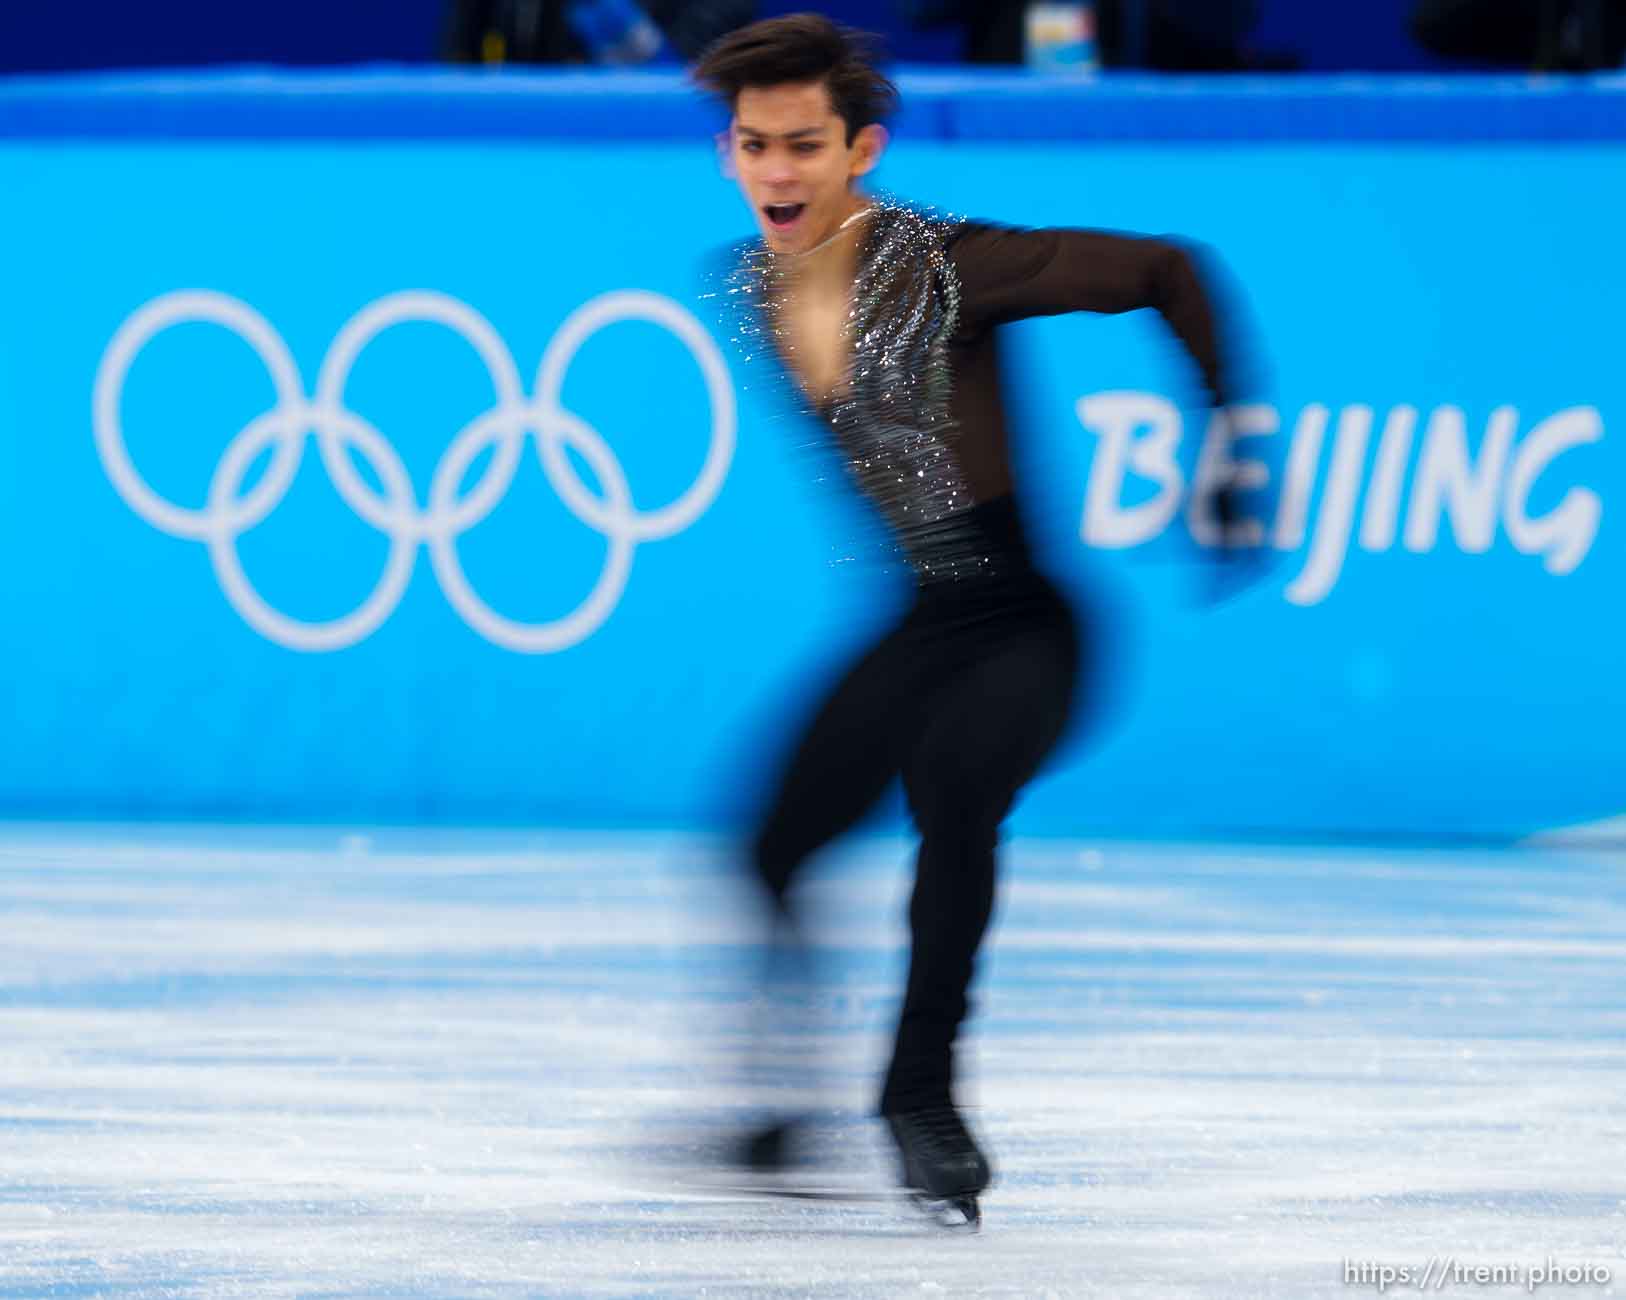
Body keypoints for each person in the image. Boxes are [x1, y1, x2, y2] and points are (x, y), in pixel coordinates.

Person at [693, 13, 1248, 1228]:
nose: (777, 171)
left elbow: (1168, 269)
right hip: (923, 616)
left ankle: (922, 1094)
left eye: (804, 144)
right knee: (772, 844)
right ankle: (783, 1115)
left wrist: (1235, 444)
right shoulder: (743, 284)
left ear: (862, 149)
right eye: (753, 145)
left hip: (1028, 624)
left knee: (954, 795)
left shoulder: (940, 265)